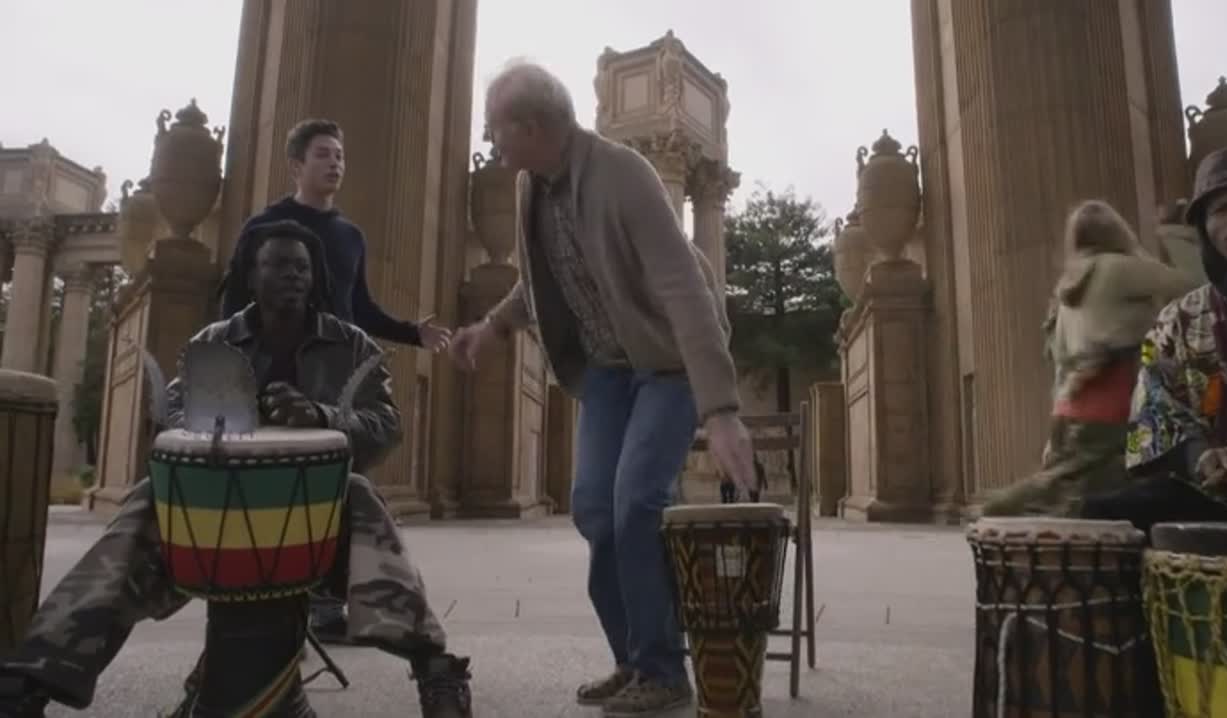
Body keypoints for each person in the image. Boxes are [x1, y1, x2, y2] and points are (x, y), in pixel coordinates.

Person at [0, 220, 472, 718]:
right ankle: (34, 676)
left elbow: (386, 426)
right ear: (251, 273)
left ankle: (436, 669)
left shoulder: (352, 345)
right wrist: (219, 426)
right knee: (146, 501)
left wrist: (322, 415)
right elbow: (174, 412)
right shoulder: (215, 342)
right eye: (278, 264)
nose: (293, 275)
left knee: (359, 492)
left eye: (302, 267)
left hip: (318, 515)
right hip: (215, 512)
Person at [448, 61, 757, 716]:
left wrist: (721, 409)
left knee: (637, 502)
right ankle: (634, 660)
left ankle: (664, 670)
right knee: (594, 507)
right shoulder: (533, 185)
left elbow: (684, 287)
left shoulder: (624, 175)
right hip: (609, 370)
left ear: (532, 127)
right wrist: (491, 327)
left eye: (496, 128)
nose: (490, 142)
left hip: (668, 364)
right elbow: (541, 279)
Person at [217, 118, 450, 642]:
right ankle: (265, 591)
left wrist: (412, 333)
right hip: (274, 371)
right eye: (324, 153)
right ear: (296, 164)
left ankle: (326, 600)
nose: (336, 163)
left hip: (333, 373)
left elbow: (359, 308)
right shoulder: (264, 228)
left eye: (340, 155)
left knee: (337, 483)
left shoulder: (349, 236)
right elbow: (232, 305)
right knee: (277, 485)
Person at [1081, 145, 1227, 533]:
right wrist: (1200, 457)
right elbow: (1155, 406)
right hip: (1221, 496)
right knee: (1101, 515)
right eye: (1222, 209)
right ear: (1204, 228)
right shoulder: (1178, 320)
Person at [983, 200, 1195, 517]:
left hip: (1071, 407)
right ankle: (999, 506)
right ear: (1118, 231)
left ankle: (1006, 506)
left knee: (1071, 485)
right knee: (1124, 486)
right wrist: (1176, 233)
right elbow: (1193, 284)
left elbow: (1059, 361)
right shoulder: (1117, 268)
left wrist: (1054, 431)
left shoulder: (1067, 287)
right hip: (1115, 400)